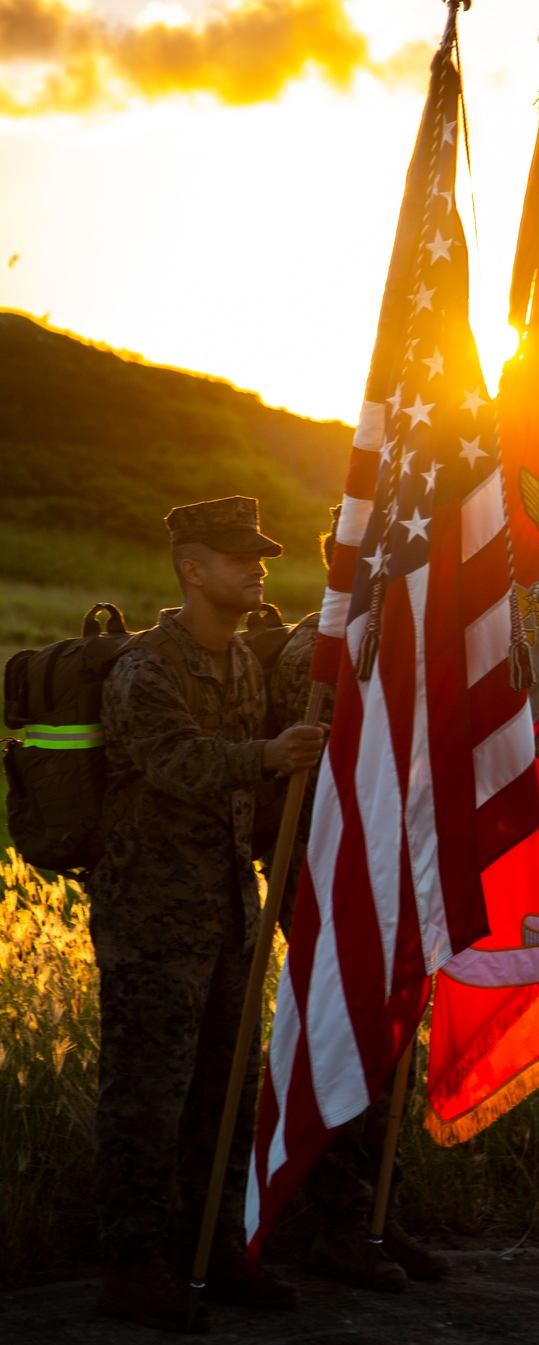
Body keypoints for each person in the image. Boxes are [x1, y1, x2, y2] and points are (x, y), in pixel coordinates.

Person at [89, 495, 328, 1333]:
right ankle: (132, 1264)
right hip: (153, 912)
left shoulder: (244, 665)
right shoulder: (146, 669)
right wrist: (266, 755)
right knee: (149, 1094)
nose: (257, 568)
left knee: (228, 1088)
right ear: (192, 569)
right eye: (238, 557)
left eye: (259, 556)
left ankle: (212, 1248)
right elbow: (169, 760)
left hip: (228, 908)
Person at [266, 524, 448, 1293]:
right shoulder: (318, 649)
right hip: (331, 881)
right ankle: (336, 1223)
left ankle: (373, 1212)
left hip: (398, 877)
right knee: (343, 1039)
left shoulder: (404, 645)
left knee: (391, 1045)